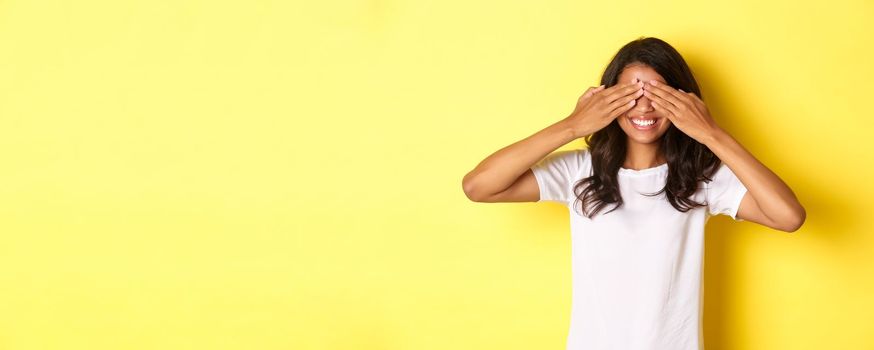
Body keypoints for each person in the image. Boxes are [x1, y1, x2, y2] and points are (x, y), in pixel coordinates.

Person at [461, 37, 806, 350]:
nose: (644, 108)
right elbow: (479, 186)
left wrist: (711, 133)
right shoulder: (579, 171)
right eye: (630, 95)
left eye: (657, 95)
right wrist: (574, 125)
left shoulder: (700, 178)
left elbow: (788, 216)